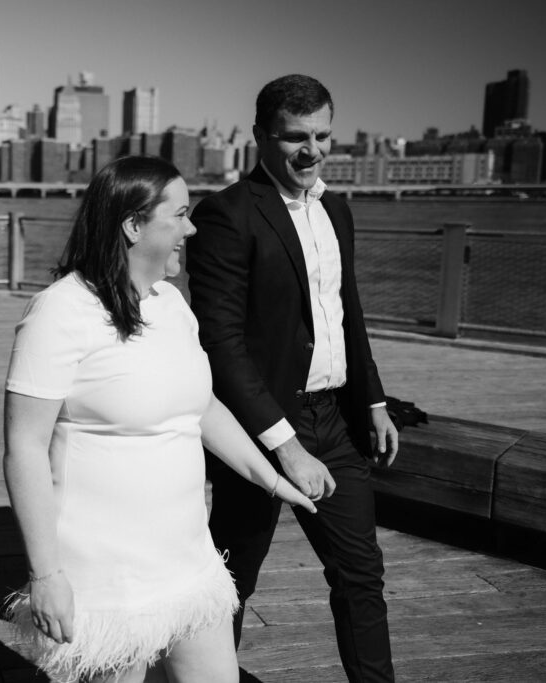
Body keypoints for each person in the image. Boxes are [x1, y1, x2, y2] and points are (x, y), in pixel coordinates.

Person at [2, 155, 317, 683]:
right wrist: (46, 575)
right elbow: (24, 448)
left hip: (188, 562)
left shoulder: (172, 303)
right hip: (107, 580)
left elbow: (201, 407)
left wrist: (271, 479)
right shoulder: (59, 312)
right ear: (133, 225)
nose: (191, 228)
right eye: (180, 215)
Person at [186, 74, 400, 682]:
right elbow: (221, 345)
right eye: (295, 137)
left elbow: (344, 312)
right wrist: (285, 446)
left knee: (361, 574)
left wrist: (376, 400)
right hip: (261, 429)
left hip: (336, 419)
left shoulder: (337, 208)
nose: (312, 151)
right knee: (231, 577)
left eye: (323, 135)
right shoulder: (227, 216)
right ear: (260, 136)